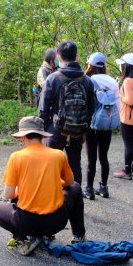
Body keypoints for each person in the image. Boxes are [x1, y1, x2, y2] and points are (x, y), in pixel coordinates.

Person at [0, 116, 87, 256]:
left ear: (23, 137)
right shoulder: (58, 155)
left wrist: (23, 190)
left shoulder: (16, 157)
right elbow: (71, 182)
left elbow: (8, 194)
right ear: (42, 136)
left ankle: (24, 238)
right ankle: (79, 237)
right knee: (76, 188)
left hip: (27, 222)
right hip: (57, 221)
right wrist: (54, 185)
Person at [39, 41, 95, 185]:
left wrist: (43, 131)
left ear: (58, 56)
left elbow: (43, 109)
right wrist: (83, 125)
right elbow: (92, 107)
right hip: (78, 130)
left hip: (56, 130)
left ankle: (52, 199)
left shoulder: (53, 78)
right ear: (77, 56)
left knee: (51, 165)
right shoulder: (87, 81)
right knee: (75, 164)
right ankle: (75, 200)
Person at [82, 52, 120, 200]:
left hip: (92, 124)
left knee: (91, 159)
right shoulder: (112, 81)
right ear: (104, 66)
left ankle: (89, 189)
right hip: (107, 122)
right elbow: (118, 104)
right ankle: (103, 188)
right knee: (103, 157)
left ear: (90, 65)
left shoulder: (88, 80)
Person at [114, 53, 133, 180]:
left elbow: (129, 100)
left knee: (128, 144)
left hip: (127, 117)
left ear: (126, 66)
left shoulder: (127, 81)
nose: (120, 66)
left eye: (121, 64)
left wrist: (119, 94)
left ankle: (127, 170)